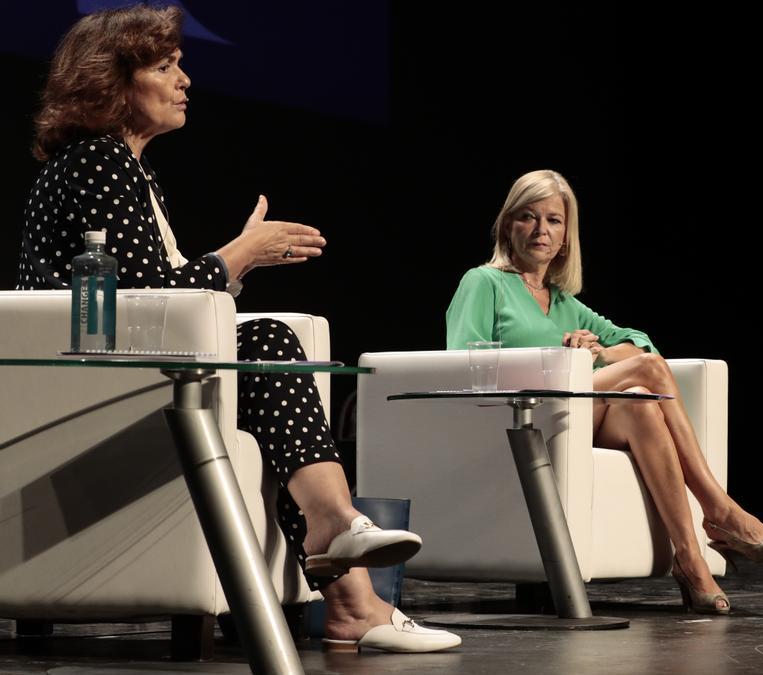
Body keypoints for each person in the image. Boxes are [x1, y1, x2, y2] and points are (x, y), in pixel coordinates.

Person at [16, 5, 459, 652]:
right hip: (98, 396)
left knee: (267, 362)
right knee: (268, 343)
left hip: (123, 381)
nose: (185, 79)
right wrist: (240, 254)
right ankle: (344, 556)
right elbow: (149, 307)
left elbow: (150, 303)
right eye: (166, 67)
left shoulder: (120, 167)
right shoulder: (98, 165)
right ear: (111, 83)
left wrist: (232, 265)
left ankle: (350, 591)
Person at [445, 169, 763, 614]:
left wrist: (596, 350)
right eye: (528, 217)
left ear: (566, 236)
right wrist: (559, 355)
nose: (540, 230)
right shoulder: (484, 283)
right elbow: (463, 363)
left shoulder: (562, 300)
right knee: (648, 373)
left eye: (554, 220)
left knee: (645, 410)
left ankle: (690, 559)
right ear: (506, 226)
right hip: (518, 413)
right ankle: (720, 510)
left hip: (571, 415)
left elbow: (638, 341)